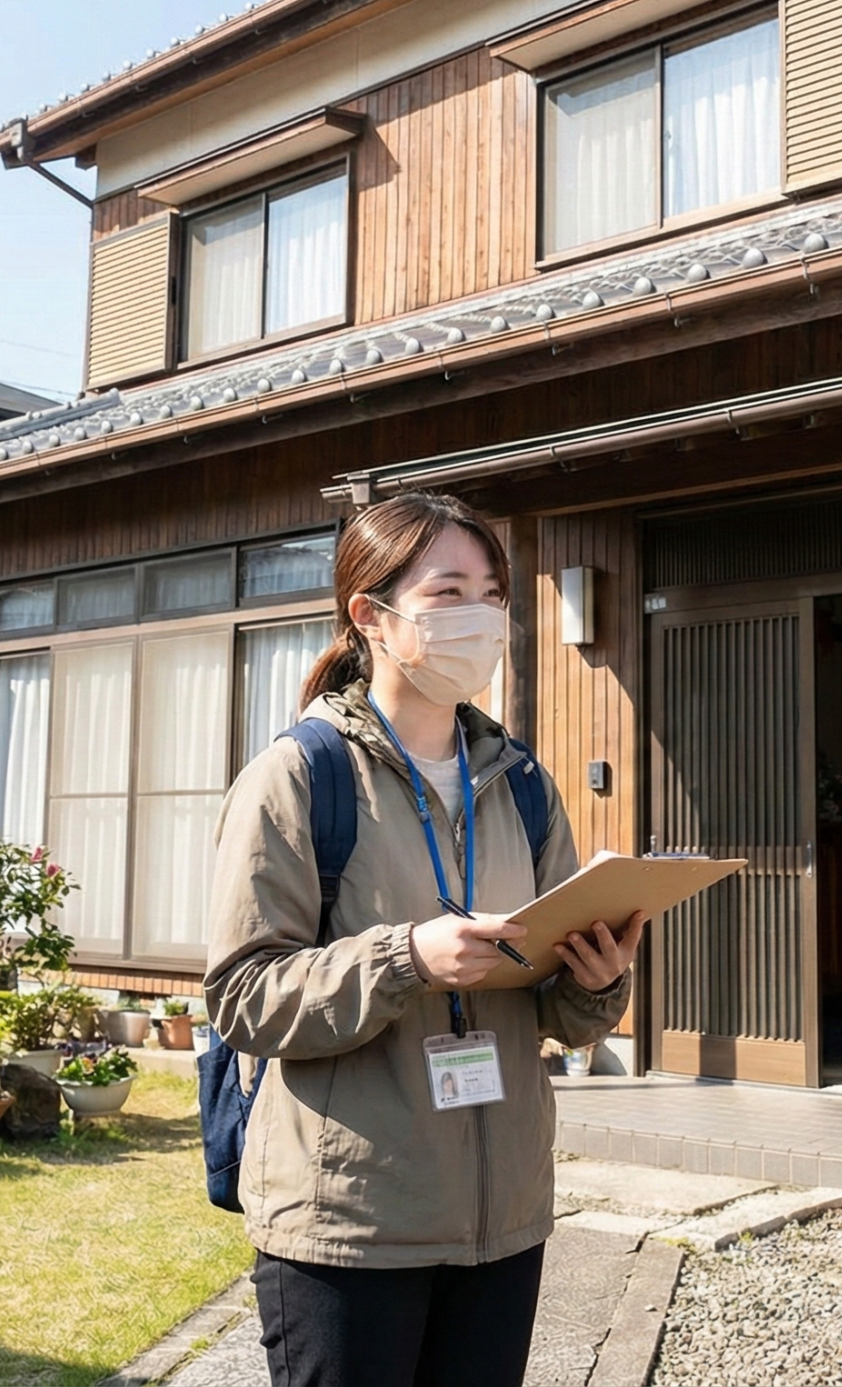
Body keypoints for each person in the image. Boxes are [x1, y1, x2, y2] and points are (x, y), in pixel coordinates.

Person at [205, 491, 645, 1387]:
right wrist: (405, 958)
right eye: (449, 591)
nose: (480, 614)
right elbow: (242, 996)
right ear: (370, 614)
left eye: (492, 591)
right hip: (350, 1222)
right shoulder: (298, 776)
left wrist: (598, 982)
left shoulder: (522, 784)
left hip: (503, 1216)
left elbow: (555, 1006)